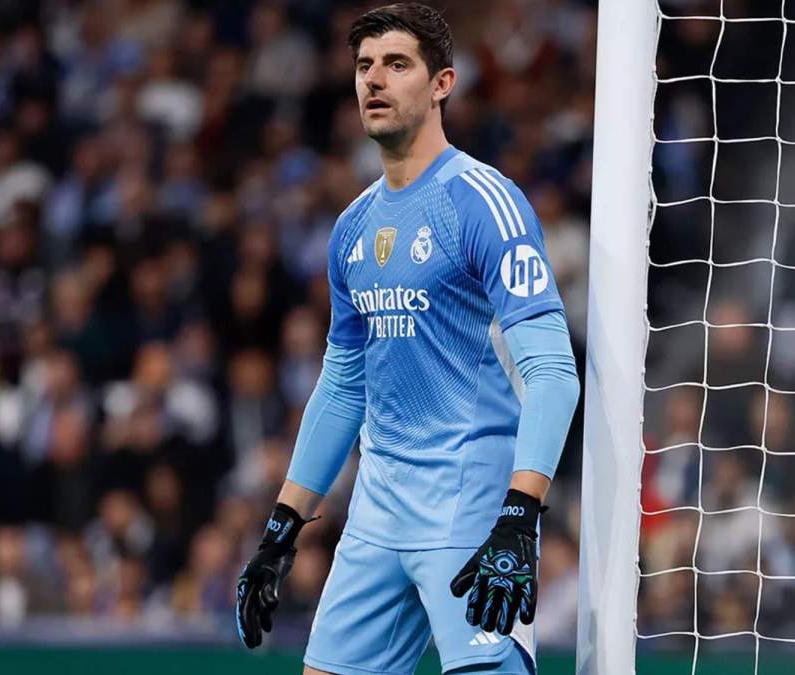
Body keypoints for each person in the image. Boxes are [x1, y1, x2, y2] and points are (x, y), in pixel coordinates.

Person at [233, 4, 579, 674]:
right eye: (364, 66)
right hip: (376, 514)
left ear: (442, 83)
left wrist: (519, 515)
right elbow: (342, 385)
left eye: (396, 64)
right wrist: (282, 526)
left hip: (469, 506)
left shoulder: (485, 201)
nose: (375, 80)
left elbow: (554, 371)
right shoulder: (352, 228)